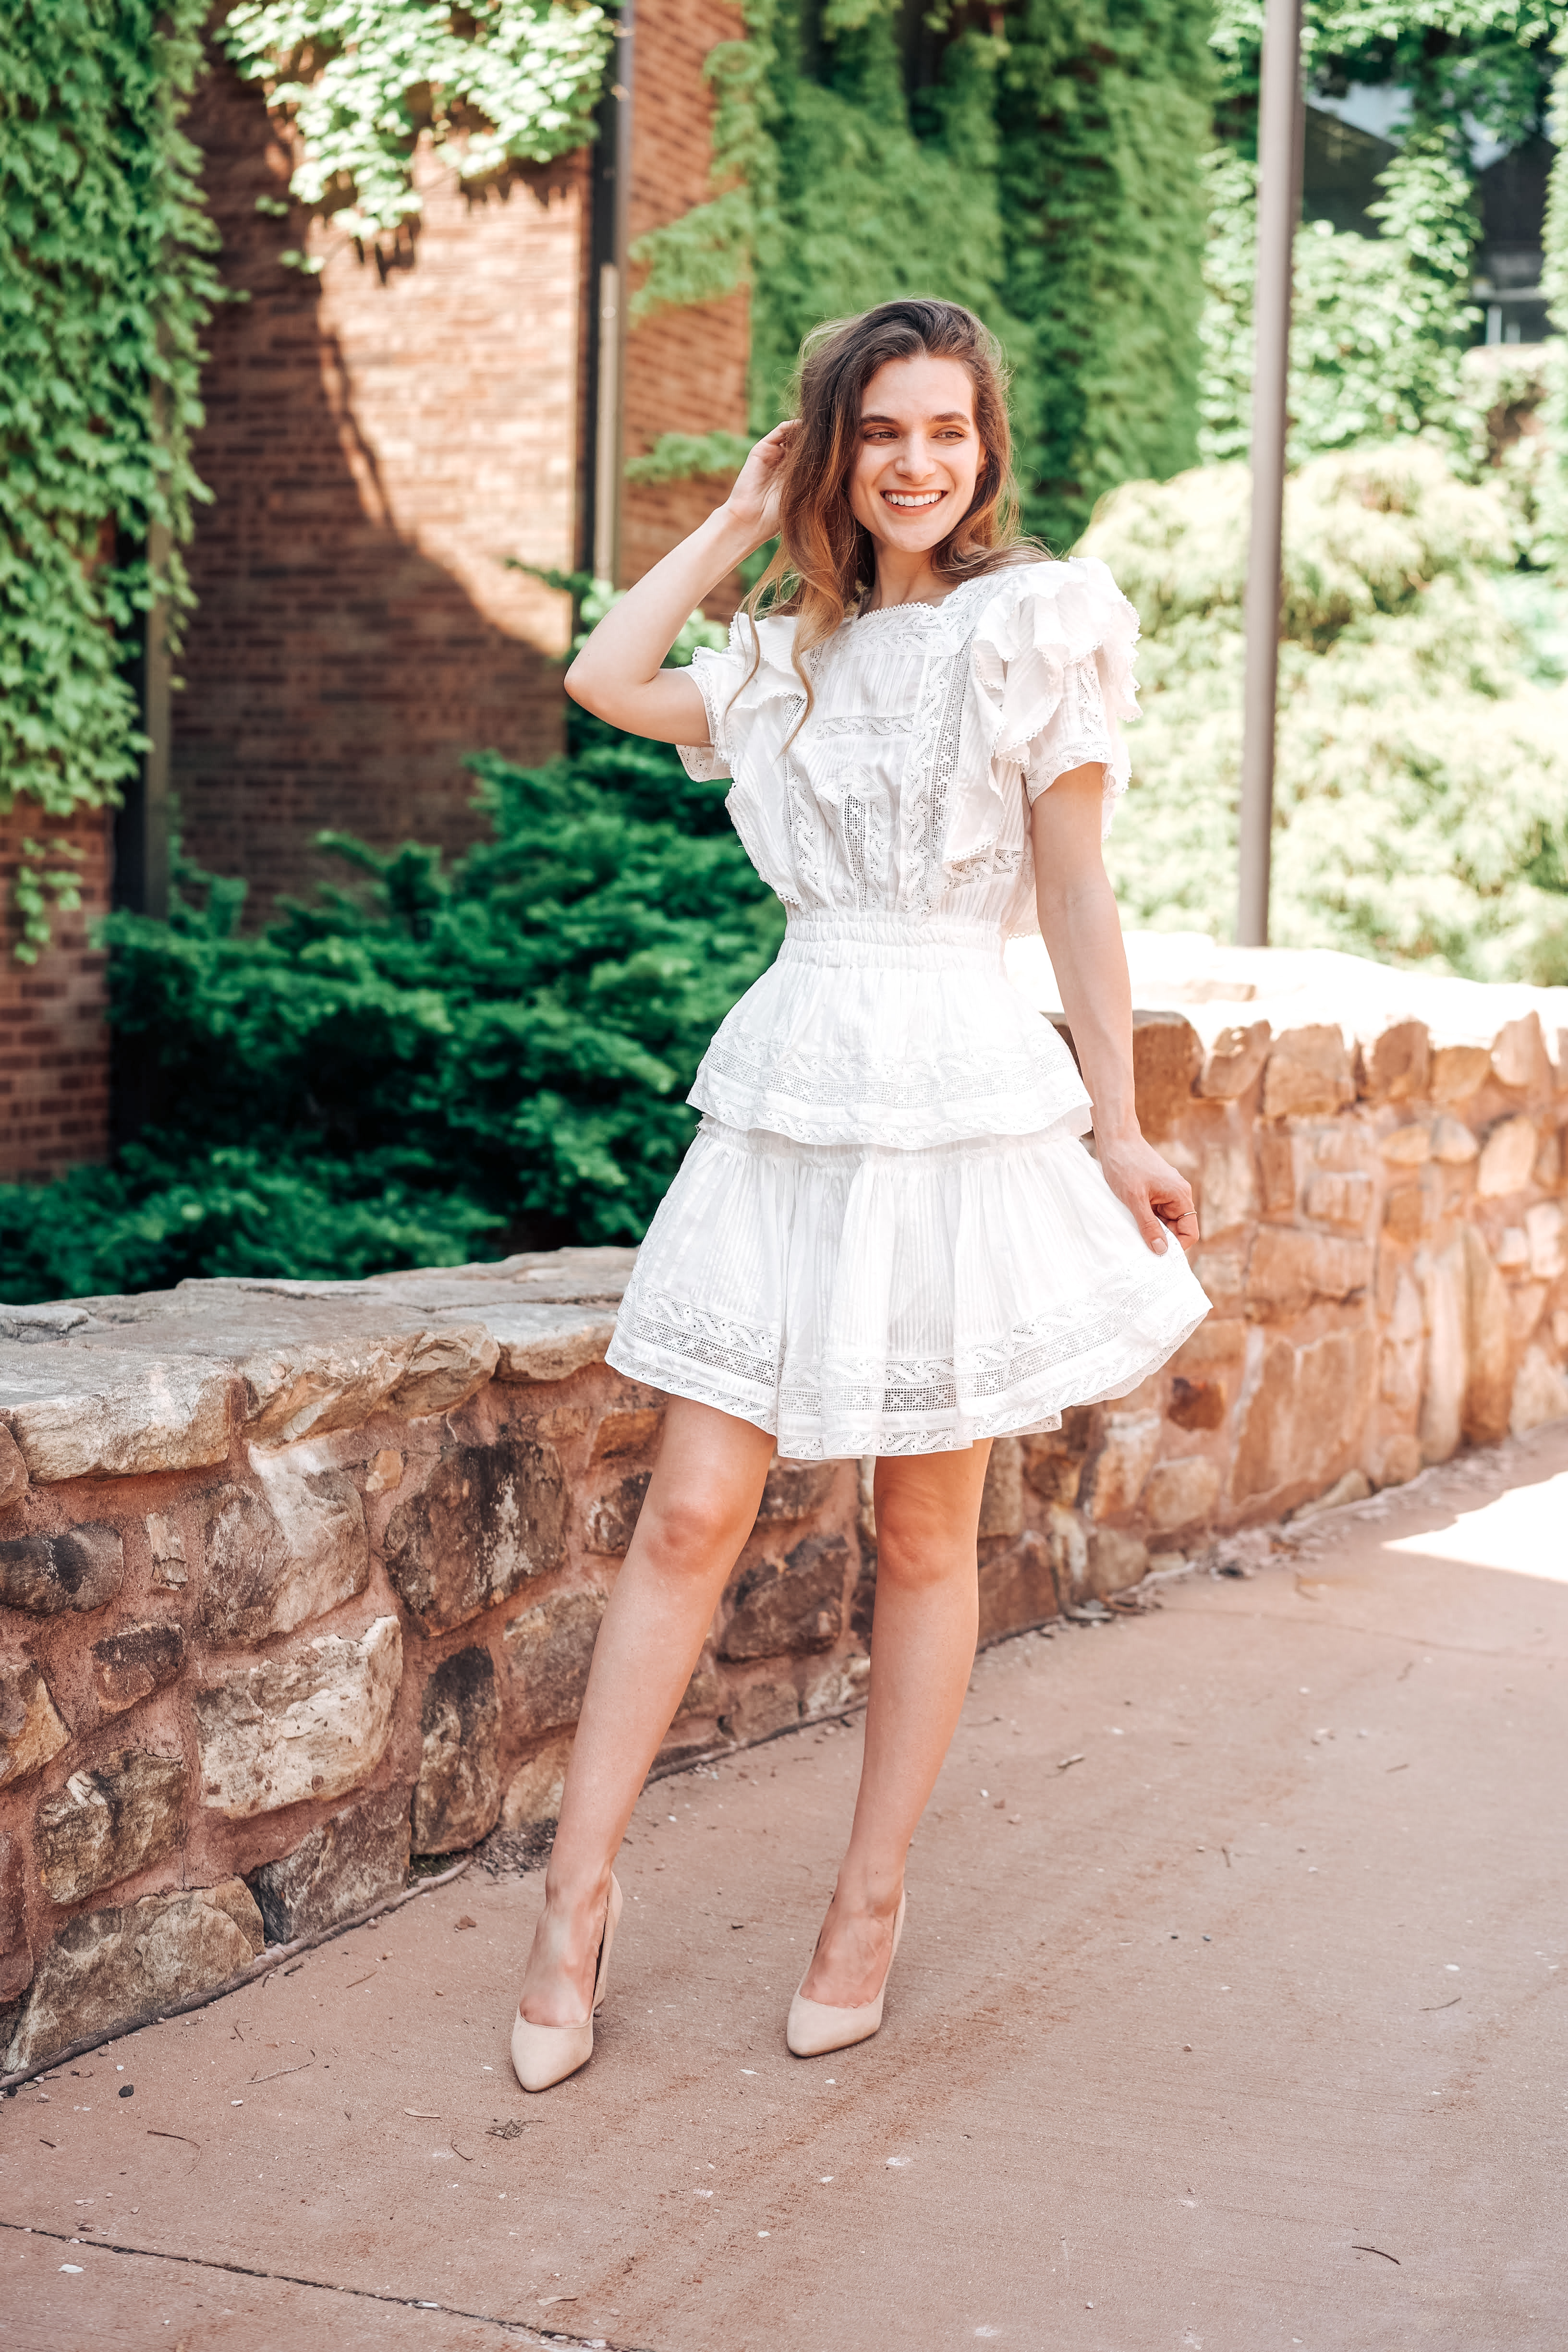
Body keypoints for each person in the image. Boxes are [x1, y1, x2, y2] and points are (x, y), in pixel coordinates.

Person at [511, 297, 1208, 2092]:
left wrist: (1116, 1127)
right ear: (835, 448)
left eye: (948, 431)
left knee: (921, 1531)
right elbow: (599, 679)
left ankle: (868, 1900)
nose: (917, 462)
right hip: (792, 1083)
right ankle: (573, 1904)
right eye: (881, 430)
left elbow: (1073, 896)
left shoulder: (1027, 626)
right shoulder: (777, 659)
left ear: (986, 448)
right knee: (688, 1512)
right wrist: (741, 519)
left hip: (961, 1085)